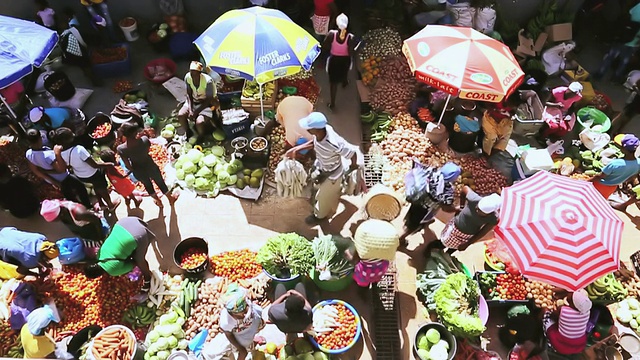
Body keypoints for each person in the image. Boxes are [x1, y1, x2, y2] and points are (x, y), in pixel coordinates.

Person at [285, 112, 360, 224]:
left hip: (332, 174)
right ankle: (325, 193)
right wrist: (296, 149)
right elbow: (315, 143)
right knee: (317, 185)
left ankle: (319, 216)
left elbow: (352, 153)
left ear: (317, 129)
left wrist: (353, 167)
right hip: (321, 165)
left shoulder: (334, 143)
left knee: (323, 199)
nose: (307, 130)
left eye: (309, 128)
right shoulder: (323, 131)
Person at [51, 127, 120, 212]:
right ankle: (111, 205)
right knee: (102, 188)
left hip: (81, 176)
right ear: (68, 139)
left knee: (95, 185)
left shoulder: (60, 154)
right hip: (92, 173)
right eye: (71, 135)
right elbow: (94, 165)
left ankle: (101, 204)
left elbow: (67, 166)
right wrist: (110, 164)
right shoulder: (79, 149)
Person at [25, 128, 92, 208]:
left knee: (69, 196)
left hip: (54, 180)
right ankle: (87, 206)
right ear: (40, 138)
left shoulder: (28, 153)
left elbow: (36, 170)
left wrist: (50, 179)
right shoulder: (48, 155)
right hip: (64, 178)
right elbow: (61, 170)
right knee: (80, 187)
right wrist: (57, 154)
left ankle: (77, 209)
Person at [399, 162, 461, 246]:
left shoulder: (432, 172)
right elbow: (445, 208)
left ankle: (424, 223)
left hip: (417, 201)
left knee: (413, 215)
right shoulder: (447, 190)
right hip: (425, 210)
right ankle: (401, 239)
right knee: (414, 225)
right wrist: (457, 209)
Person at [84, 217, 154, 291]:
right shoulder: (99, 254)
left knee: (140, 261)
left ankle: (148, 279)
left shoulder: (113, 271)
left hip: (137, 235)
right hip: (124, 223)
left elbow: (133, 263)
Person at [117, 122, 176, 208]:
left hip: (138, 170)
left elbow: (127, 165)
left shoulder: (121, 149)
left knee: (148, 186)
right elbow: (147, 149)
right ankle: (170, 199)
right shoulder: (144, 140)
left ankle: (158, 202)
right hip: (150, 165)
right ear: (136, 133)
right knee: (160, 182)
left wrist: (133, 170)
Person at [204, 284, 264, 360]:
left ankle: (251, 341)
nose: (244, 314)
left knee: (249, 340)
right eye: (241, 313)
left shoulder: (247, 305)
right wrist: (240, 348)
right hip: (237, 337)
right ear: (232, 313)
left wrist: (258, 326)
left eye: (245, 310)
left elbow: (256, 316)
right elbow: (228, 334)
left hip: (248, 330)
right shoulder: (226, 321)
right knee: (213, 353)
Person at [177, 61, 220, 142]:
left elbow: (209, 99)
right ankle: (188, 132)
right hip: (193, 101)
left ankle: (201, 136)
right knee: (181, 115)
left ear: (200, 73)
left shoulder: (208, 82)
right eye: (191, 72)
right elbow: (189, 94)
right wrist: (190, 109)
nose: (192, 75)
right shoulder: (188, 77)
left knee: (199, 122)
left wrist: (196, 111)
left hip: (206, 104)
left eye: (194, 73)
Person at [591, 134, 640, 200]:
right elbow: (631, 177)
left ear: (624, 149)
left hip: (600, 185)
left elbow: (600, 176)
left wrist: (587, 181)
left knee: (591, 198)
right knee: (600, 201)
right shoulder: (638, 163)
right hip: (612, 188)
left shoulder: (615, 164)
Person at [543, 290, 592, 355]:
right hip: (579, 344)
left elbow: (552, 315)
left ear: (573, 305)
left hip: (561, 344)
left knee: (545, 312)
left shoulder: (564, 310)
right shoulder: (587, 312)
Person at [60, 8, 101, 86]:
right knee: (85, 64)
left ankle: (88, 74)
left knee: (82, 64)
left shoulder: (71, 27)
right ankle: (94, 80)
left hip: (71, 48)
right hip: (74, 49)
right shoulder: (73, 27)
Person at [323, 14, 355, 111]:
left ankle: (332, 104)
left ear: (336, 24)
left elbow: (325, 46)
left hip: (334, 60)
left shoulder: (331, 34)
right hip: (345, 61)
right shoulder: (350, 37)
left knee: (333, 82)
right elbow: (350, 52)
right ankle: (344, 82)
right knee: (344, 72)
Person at [40, 199, 108, 241]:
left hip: (98, 230)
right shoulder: (55, 205)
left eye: (55, 220)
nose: (55, 222)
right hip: (84, 233)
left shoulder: (79, 213)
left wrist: (101, 236)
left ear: (61, 214)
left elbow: (96, 220)